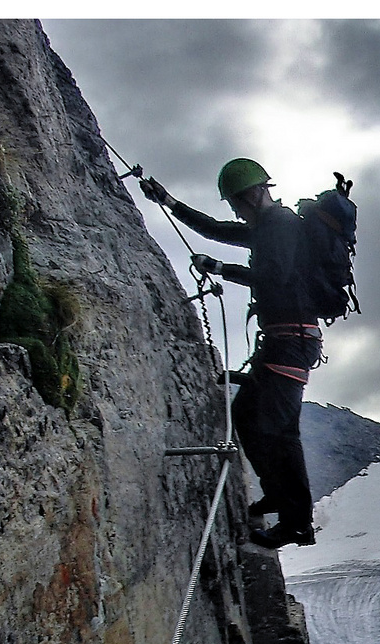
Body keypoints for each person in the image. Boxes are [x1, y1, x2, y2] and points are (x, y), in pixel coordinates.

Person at [141, 158, 318, 548]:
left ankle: (297, 523)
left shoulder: (281, 227)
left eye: (237, 203)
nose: (236, 211)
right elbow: (217, 230)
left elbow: (275, 278)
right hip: (286, 341)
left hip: (291, 341)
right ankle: (278, 496)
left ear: (253, 195)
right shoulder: (269, 228)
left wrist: (220, 268)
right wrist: (169, 202)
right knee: (248, 418)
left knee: (278, 432)